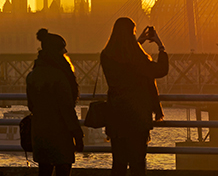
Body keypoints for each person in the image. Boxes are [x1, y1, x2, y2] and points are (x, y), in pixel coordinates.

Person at [100, 17, 169, 176]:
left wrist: (139, 42)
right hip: (137, 117)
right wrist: (160, 46)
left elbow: (125, 58)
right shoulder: (136, 58)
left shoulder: (106, 55)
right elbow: (159, 70)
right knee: (137, 163)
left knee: (119, 163)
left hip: (116, 116)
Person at [26, 28, 84, 176]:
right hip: (60, 132)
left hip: (40, 131)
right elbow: (67, 109)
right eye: (62, 50)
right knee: (63, 168)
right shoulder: (60, 76)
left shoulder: (33, 75)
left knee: (44, 170)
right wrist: (78, 135)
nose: (65, 52)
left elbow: (31, 105)